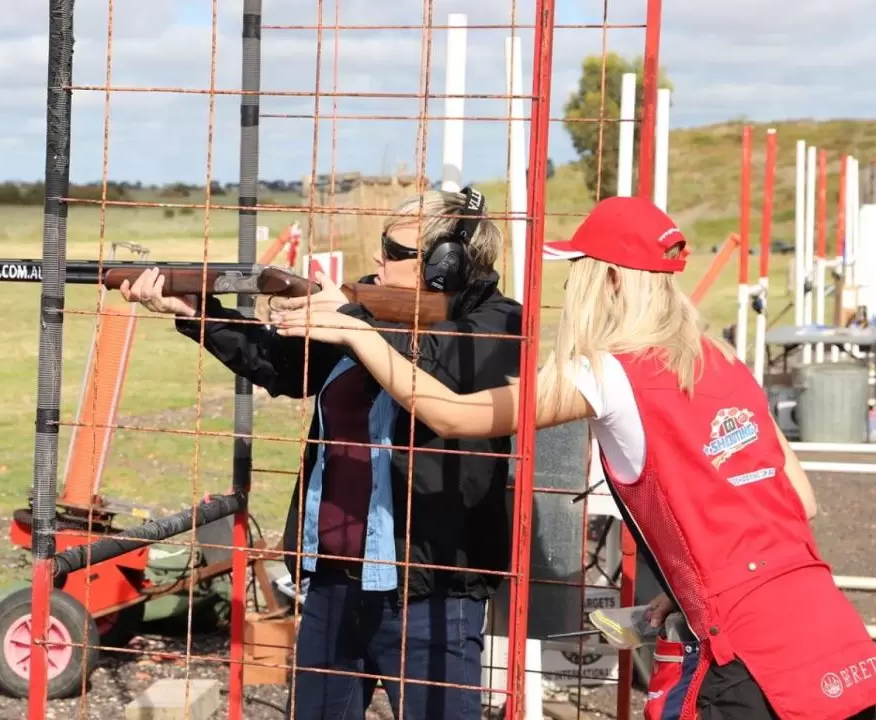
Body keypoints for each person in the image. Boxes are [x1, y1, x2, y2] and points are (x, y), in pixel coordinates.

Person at [271, 195, 876, 720]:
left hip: (745, 655)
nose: (571, 285)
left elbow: (454, 414)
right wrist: (685, 589)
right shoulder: (721, 359)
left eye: (579, 270)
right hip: (823, 630)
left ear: (610, 280)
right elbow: (797, 499)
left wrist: (357, 332)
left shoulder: (608, 373)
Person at [119, 187, 524, 719]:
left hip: (430, 594)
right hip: (333, 580)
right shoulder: (368, 311)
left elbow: (445, 371)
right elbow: (284, 367)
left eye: (396, 251)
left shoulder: (498, 324)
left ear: (446, 265)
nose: (380, 258)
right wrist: (200, 313)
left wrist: (357, 322)